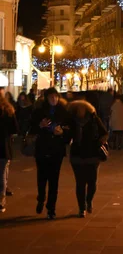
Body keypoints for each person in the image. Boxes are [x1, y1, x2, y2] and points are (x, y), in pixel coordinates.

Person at [29, 87, 69, 220]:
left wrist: (62, 132)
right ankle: (41, 198)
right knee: (41, 177)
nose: (54, 99)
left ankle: (51, 209)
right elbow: (31, 128)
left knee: (54, 181)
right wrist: (40, 125)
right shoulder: (39, 112)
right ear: (46, 98)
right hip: (42, 149)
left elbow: (69, 129)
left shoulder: (63, 111)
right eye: (51, 97)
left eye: (56, 97)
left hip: (57, 150)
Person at [67, 100, 108, 217]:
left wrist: (101, 141)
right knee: (80, 183)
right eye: (78, 109)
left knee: (92, 182)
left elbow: (104, 132)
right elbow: (67, 136)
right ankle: (81, 208)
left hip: (93, 154)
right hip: (77, 155)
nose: (80, 111)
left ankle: (89, 200)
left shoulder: (94, 118)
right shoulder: (72, 120)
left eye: (82, 108)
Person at [0, 87, 18, 212]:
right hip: (3, 145)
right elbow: (15, 129)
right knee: (2, 174)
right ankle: (1, 200)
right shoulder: (8, 110)